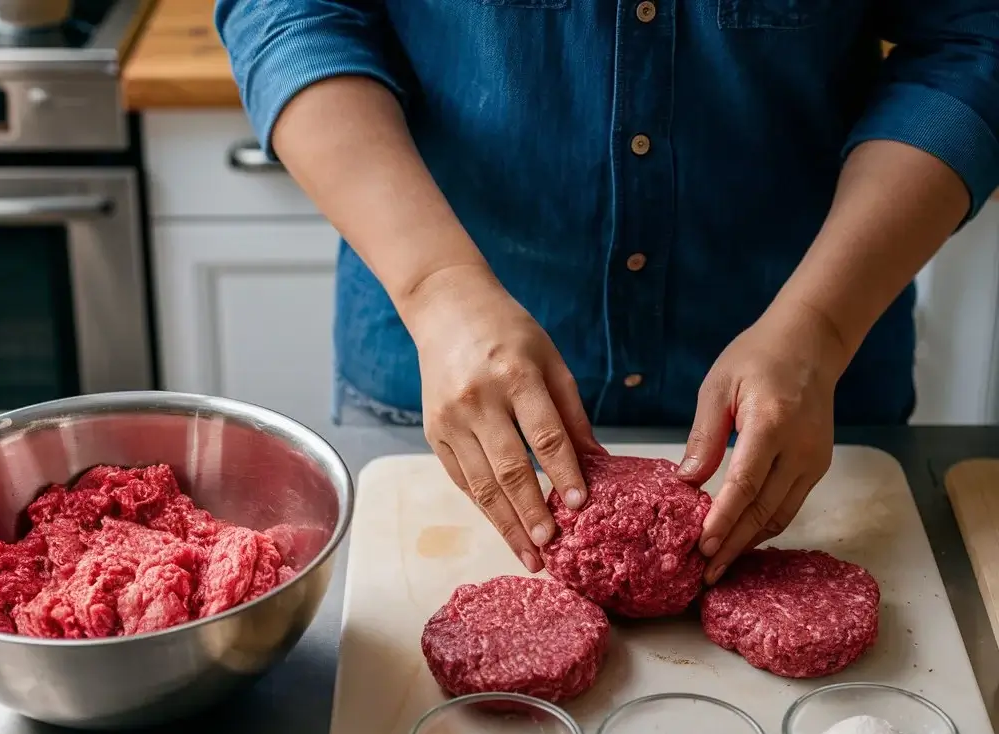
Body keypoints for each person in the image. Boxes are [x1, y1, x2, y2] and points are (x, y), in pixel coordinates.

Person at [216, 2, 999, 583]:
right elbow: (290, 10)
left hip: (810, 386)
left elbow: (974, 35)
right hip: (447, 378)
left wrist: (823, 324)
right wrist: (436, 286)